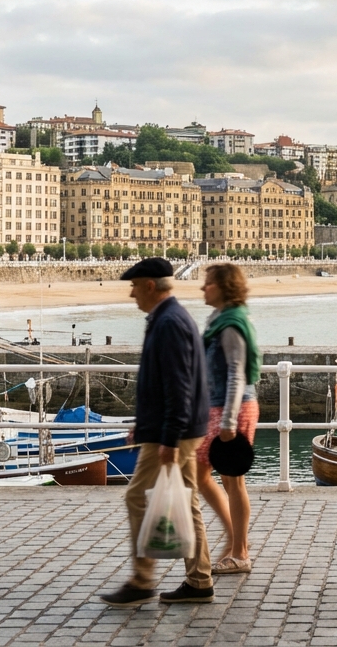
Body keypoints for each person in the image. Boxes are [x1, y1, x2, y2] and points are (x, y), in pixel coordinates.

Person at [98, 257, 215, 608]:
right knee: (188, 500)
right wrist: (145, 423)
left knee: (136, 495)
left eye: (135, 286)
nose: (132, 294)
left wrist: (167, 437)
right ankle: (197, 579)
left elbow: (179, 387)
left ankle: (144, 578)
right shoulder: (168, 319)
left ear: (150, 286)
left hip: (174, 432)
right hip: (170, 427)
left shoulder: (168, 324)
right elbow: (165, 382)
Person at [196, 263, 260, 574]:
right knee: (218, 479)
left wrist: (228, 424)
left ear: (223, 287)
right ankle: (235, 545)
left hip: (232, 409)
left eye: (208, 283)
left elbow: (237, 373)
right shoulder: (219, 319)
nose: (203, 288)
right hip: (219, 407)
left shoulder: (232, 323)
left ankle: (239, 551)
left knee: (230, 480)